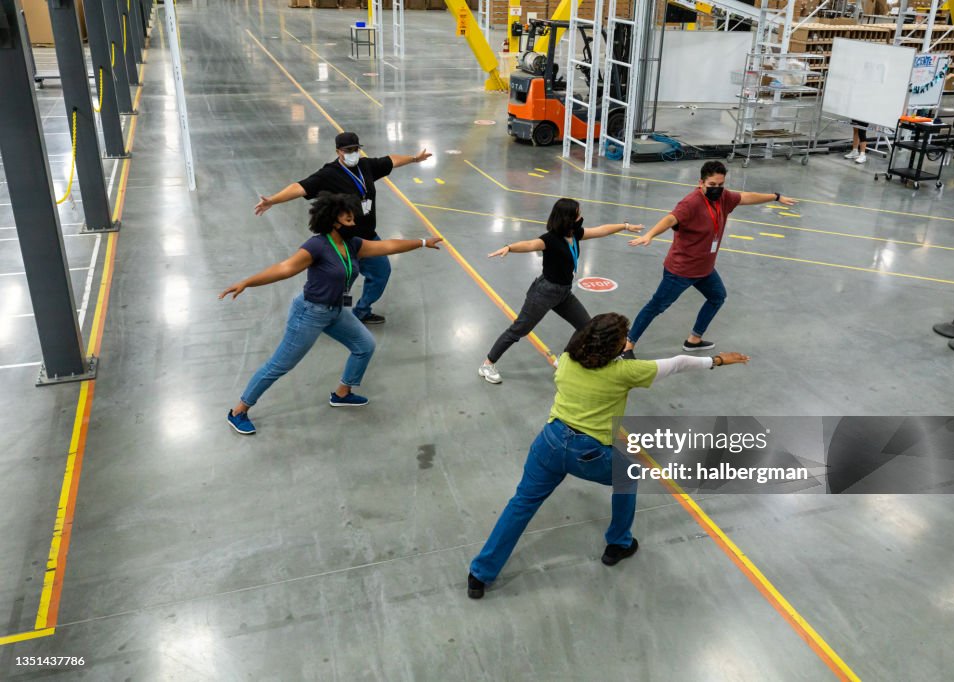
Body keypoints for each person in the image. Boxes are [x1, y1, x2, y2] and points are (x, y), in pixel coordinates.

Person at [467, 312, 749, 599]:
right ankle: (618, 543)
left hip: (549, 442)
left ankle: (480, 573)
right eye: (623, 340)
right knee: (629, 476)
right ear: (611, 349)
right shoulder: (625, 372)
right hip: (588, 452)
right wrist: (717, 360)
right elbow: (677, 364)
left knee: (521, 504)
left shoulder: (566, 360)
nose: (627, 342)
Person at [222, 193, 443, 435]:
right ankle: (239, 411)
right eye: (349, 220)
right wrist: (247, 282)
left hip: (337, 310)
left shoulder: (353, 244)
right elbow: (285, 269)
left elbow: (387, 245)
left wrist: (422, 242)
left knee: (364, 345)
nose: (354, 223)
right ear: (333, 222)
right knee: (280, 365)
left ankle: (342, 393)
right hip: (310, 313)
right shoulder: (317, 246)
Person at [253, 132, 433, 324]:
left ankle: (361, 311)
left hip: (369, 238)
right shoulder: (329, 174)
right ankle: (316, 312)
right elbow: (300, 187)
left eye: (356, 149)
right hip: (343, 242)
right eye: (348, 150)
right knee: (337, 282)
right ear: (338, 151)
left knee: (381, 273)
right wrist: (273, 199)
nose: (353, 153)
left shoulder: (366, 166)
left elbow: (391, 161)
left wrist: (414, 158)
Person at [622, 161, 795, 357]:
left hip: (705, 269)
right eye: (712, 185)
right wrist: (650, 234)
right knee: (656, 306)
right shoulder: (691, 203)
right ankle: (628, 345)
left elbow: (746, 197)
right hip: (681, 271)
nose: (717, 189)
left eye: (720, 185)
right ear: (701, 183)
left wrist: (775, 197)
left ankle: (694, 339)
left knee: (717, 296)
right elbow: (671, 219)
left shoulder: (724, 197)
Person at [478, 198, 643, 384]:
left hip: (564, 292)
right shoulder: (551, 239)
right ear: (569, 217)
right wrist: (509, 247)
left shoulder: (575, 234)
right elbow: (530, 244)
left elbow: (601, 230)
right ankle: (487, 364)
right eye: (578, 213)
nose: (582, 216)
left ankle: (565, 359)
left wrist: (625, 226)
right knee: (519, 329)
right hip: (544, 293)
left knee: (586, 326)